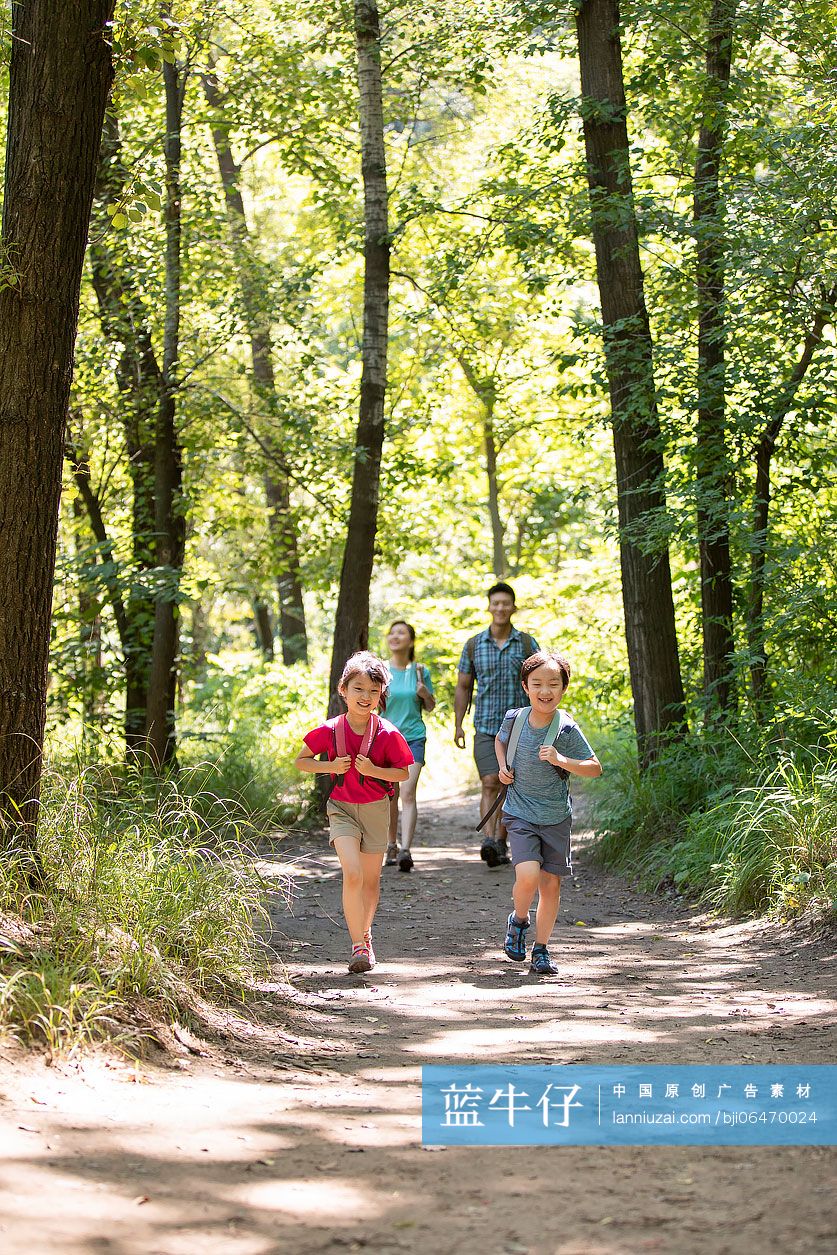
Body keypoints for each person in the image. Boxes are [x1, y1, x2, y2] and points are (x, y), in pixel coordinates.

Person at [294, 652, 412, 974]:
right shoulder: (330, 730)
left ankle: (366, 934)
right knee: (353, 873)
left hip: (375, 810)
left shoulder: (387, 733)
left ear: (381, 695)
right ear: (343, 690)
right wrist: (329, 766)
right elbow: (301, 761)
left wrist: (374, 769)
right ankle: (358, 945)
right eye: (358, 689)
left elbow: (402, 772)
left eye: (373, 691)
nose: (366, 697)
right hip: (342, 808)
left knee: (371, 881)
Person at [495, 650, 602, 975]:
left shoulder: (566, 728)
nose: (545, 690)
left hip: (555, 816)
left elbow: (594, 768)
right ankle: (519, 920)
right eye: (537, 683)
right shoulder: (514, 719)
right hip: (519, 812)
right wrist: (503, 768)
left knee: (551, 885)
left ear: (563, 688)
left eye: (553, 684)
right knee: (527, 875)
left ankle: (541, 948)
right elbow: (500, 743)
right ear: (525, 686)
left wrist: (561, 760)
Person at [454, 582, 538, 868]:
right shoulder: (474, 644)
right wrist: (458, 724)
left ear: (513, 607)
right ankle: (488, 840)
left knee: (509, 784)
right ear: (489, 606)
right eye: (495, 603)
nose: (500, 608)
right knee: (490, 780)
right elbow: (464, 686)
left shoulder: (526, 644)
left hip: (521, 726)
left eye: (506, 603)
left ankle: (501, 842)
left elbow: (541, 684)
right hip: (487, 725)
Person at [383, 620, 436, 872]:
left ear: (410, 640)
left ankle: (406, 850)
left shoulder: (419, 670)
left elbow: (430, 706)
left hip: (414, 738)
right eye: (392, 633)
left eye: (401, 633)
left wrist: (425, 693)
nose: (395, 636)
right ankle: (390, 844)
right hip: (386, 740)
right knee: (390, 795)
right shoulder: (380, 671)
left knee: (407, 792)